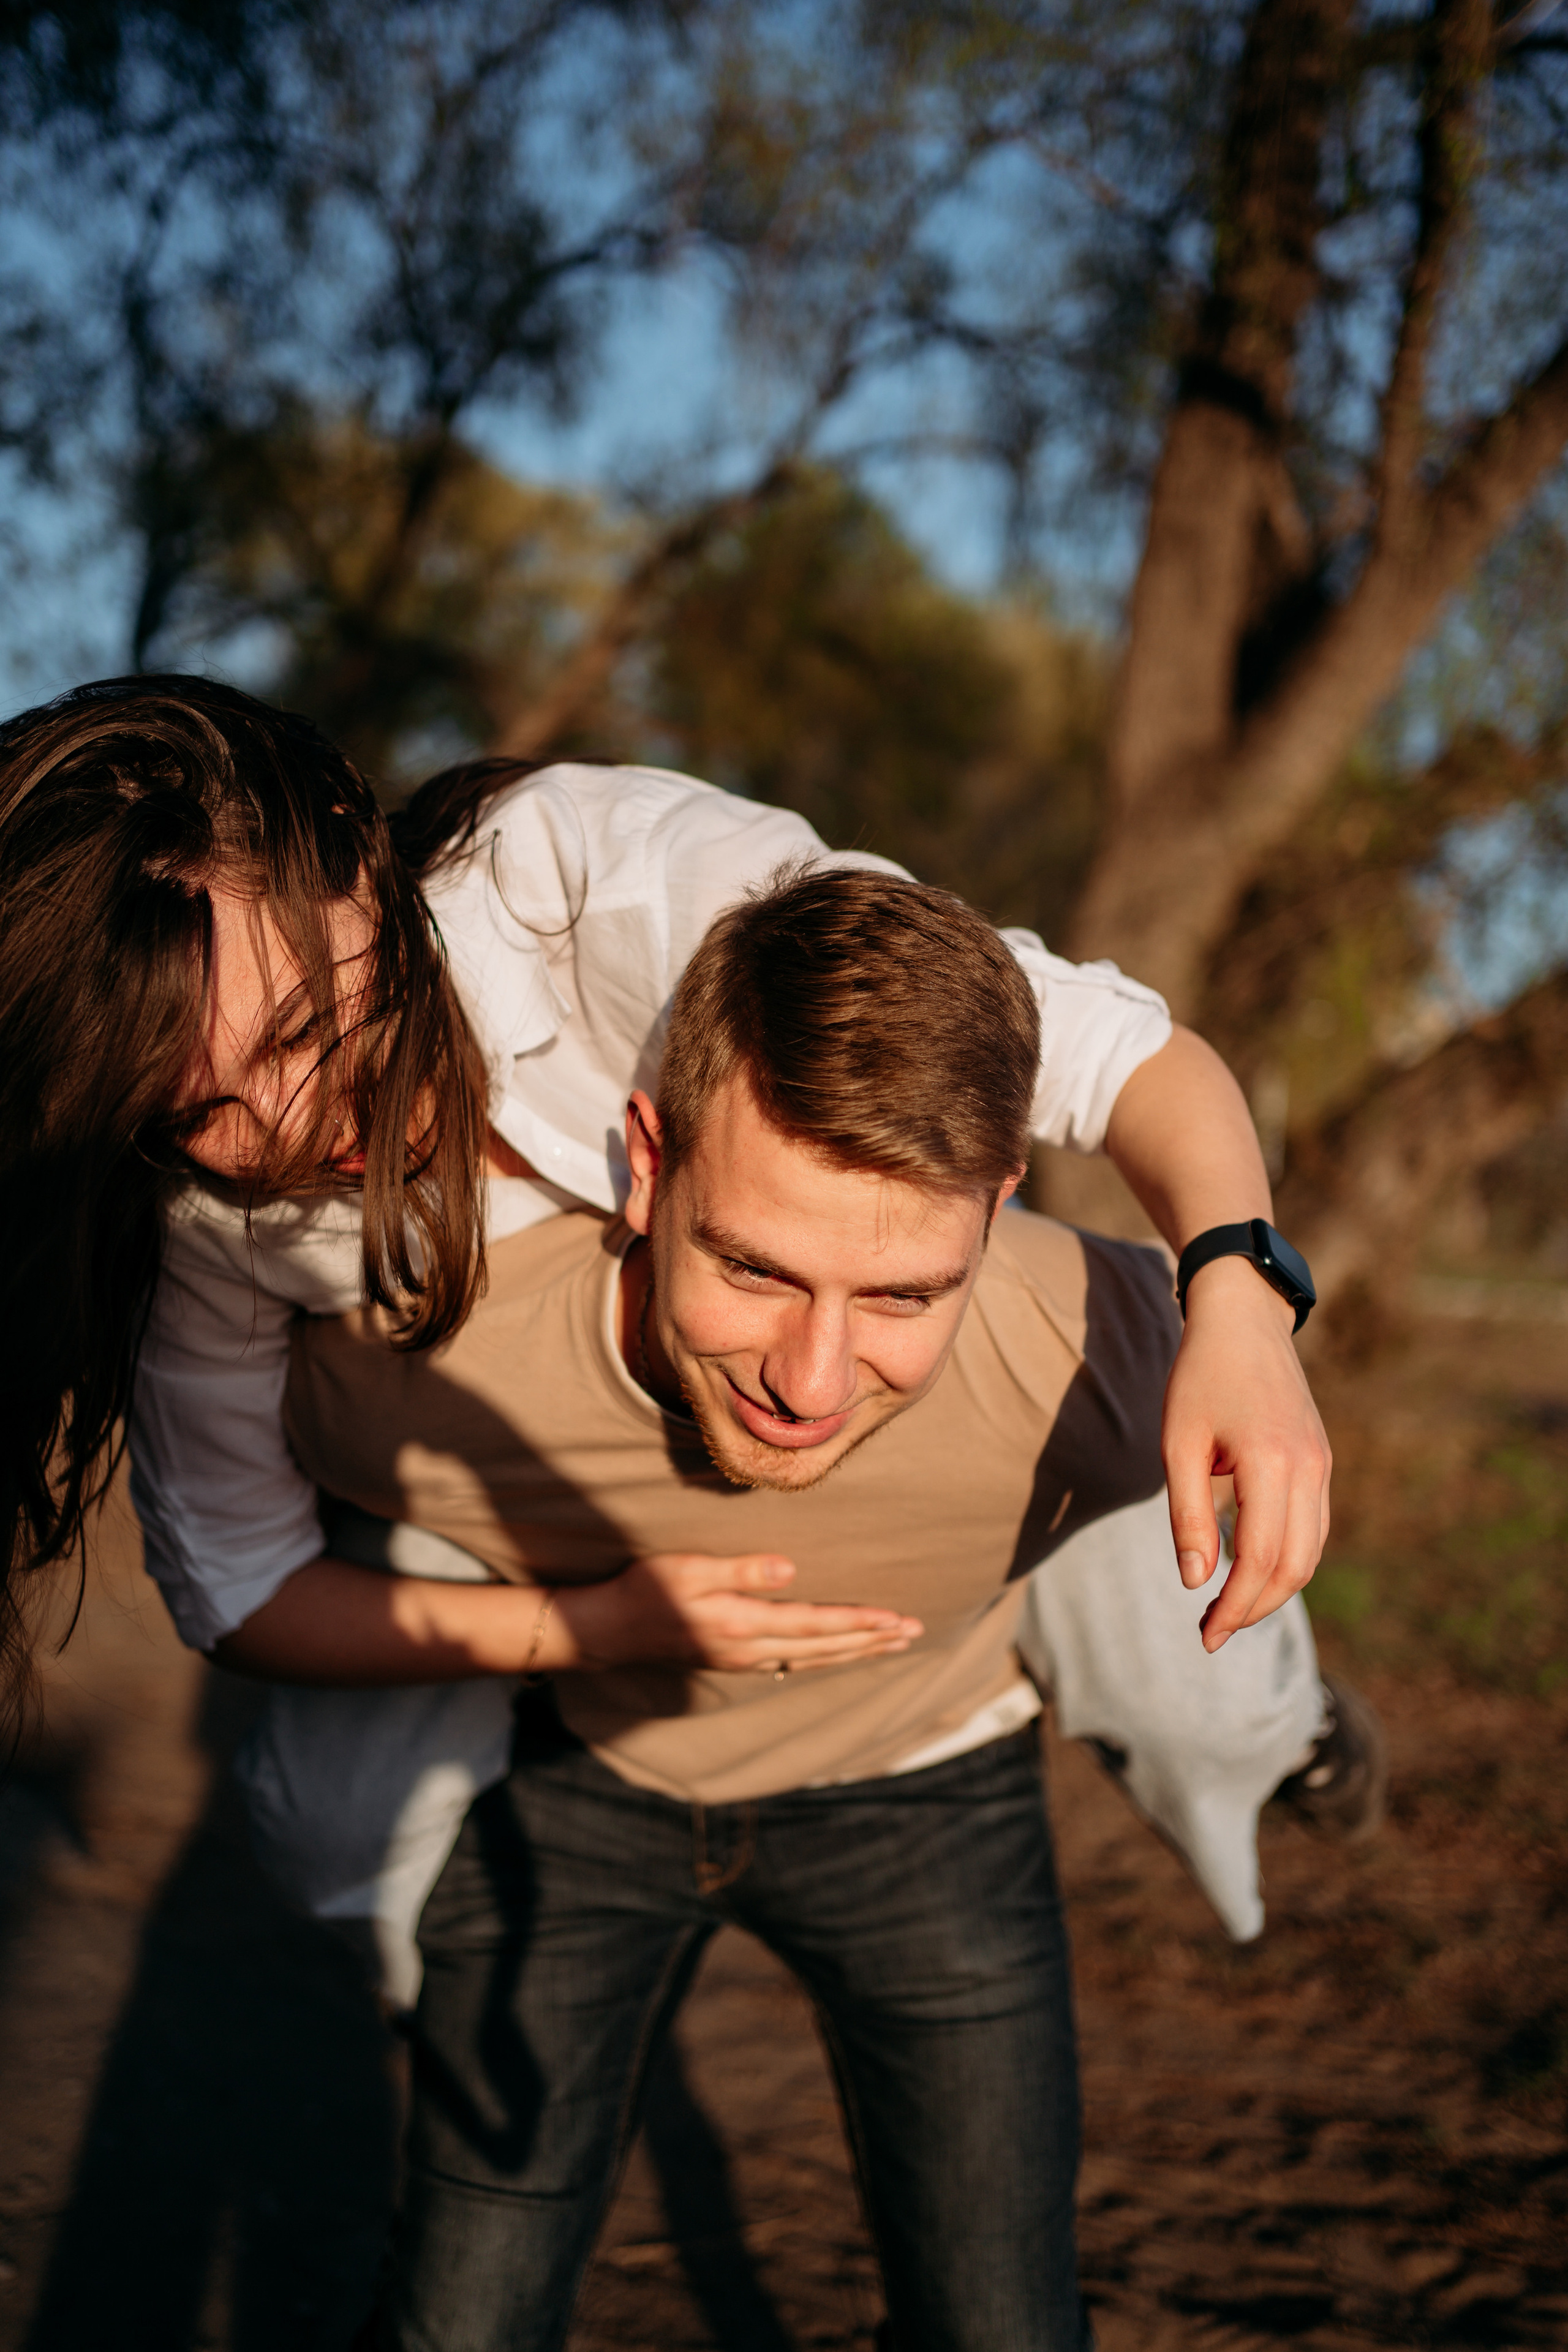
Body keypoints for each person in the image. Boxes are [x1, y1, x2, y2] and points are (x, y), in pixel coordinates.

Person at [0, 674, 1353, 1983]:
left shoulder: (624, 889)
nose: (289, 1131)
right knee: (326, 1826)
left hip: (869, 1360)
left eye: (302, 1032)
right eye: (198, 1110)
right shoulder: (201, 1223)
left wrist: (1241, 1299)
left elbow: (1128, 1060)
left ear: (356, 856)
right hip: (522, 1485)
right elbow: (240, 1592)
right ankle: (475, 1991)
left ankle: (1270, 1719)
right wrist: (582, 1628)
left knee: (1199, 1685)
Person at [273, 862, 1314, 2350]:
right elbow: (238, 1565)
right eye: (753, 1269)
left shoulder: (1091, 1345)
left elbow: (1236, 1345)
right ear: (646, 1162)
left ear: (994, 1205)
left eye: (898, 1296)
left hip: (928, 1790)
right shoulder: (397, 1374)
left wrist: (1253, 1316)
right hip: (587, 1791)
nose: (810, 1384)